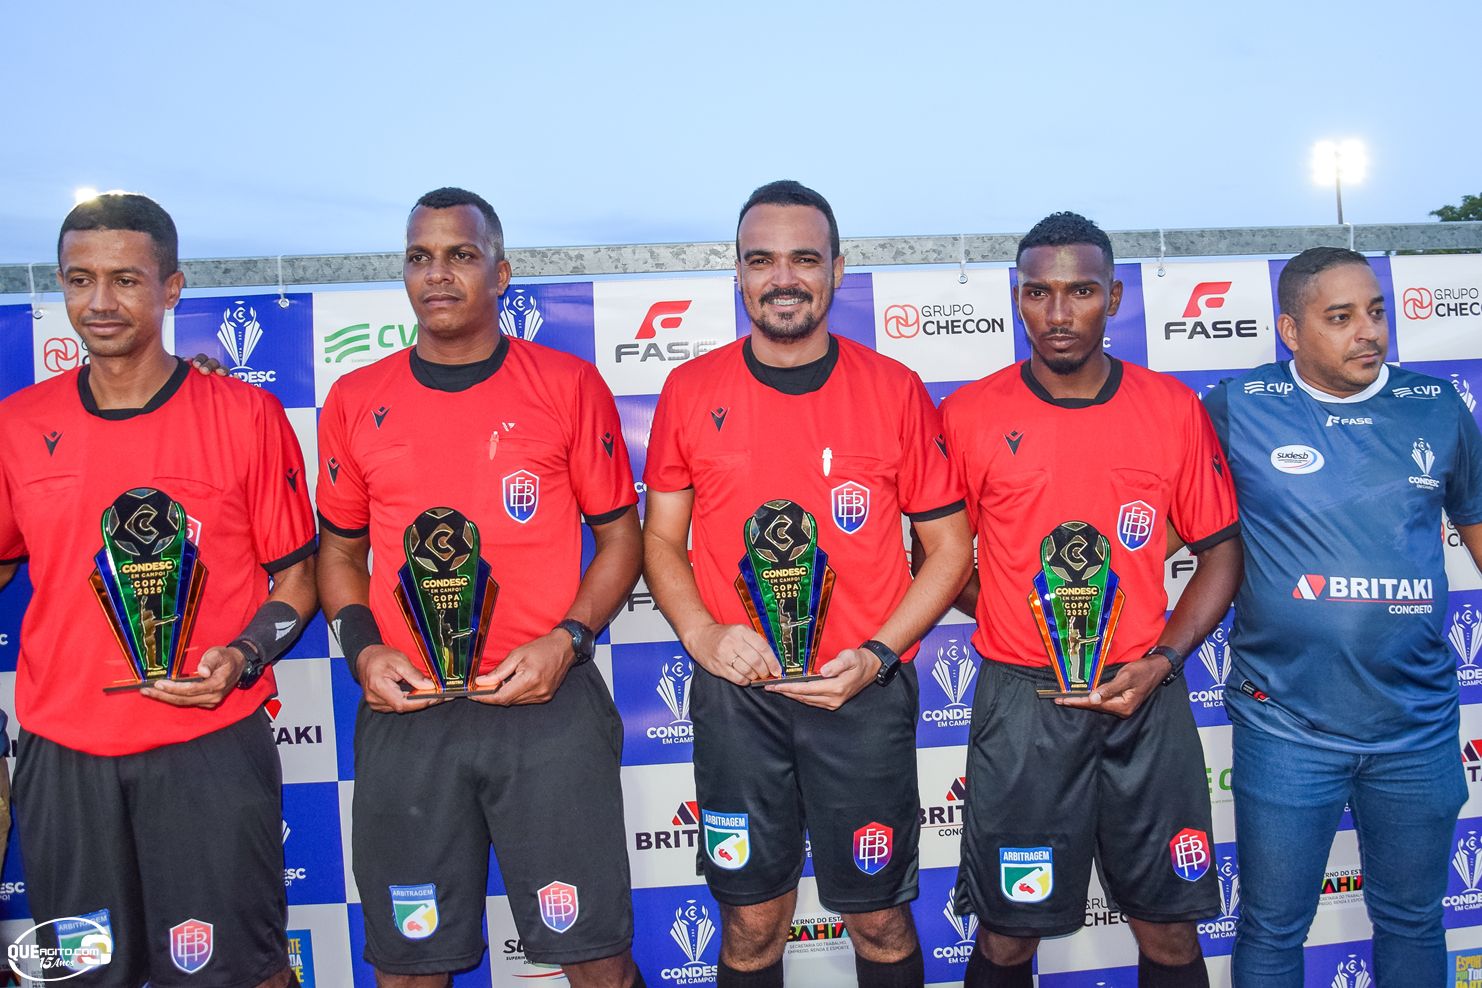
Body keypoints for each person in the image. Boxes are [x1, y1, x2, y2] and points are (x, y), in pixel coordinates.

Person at [643, 180, 974, 988]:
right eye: (762, 260)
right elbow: (660, 539)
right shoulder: (690, 391)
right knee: (753, 923)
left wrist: (878, 654)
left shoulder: (893, 389)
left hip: (859, 694)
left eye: (804, 259)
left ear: (836, 270)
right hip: (738, 696)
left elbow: (950, 550)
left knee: (881, 918)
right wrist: (704, 635)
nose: (782, 278)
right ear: (738, 273)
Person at [315, 187, 645, 988]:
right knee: (410, 964)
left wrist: (567, 642)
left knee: (595, 958)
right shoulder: (356, 400)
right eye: (419, 256)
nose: (438, 273)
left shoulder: (566, 385)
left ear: (501, 273)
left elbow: (621, 542)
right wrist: (364, 654)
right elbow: (338, 554)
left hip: (546, 710)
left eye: (460, 254)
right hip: (411, 714)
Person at [0, 192, 317, 986]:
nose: (99, 302)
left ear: (171, 288)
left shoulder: (244, 413)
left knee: (235, 973)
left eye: (125, 280)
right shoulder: (16, 424)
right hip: (64, 753)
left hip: (204, 747)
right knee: (79, 978)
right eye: (79, 280)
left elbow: (299, 579)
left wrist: (242, 657)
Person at [939, 212, 1242, 988]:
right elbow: (938, 556)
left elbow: (1221, 551)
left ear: (1113, 296)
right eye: (1039, 293)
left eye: (1079, 291)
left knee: (1171, 933)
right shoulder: (970, 414)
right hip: (1022, 702)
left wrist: (1163, 660)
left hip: (1145, 694)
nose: (1059, 312)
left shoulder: (1172, 408)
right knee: (1008, 935)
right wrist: (1015, 618)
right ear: (1017, 299)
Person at [1203, 246, 1482, 987]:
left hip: (1417, 728)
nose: (1371, 332)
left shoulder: (1437, 407)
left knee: (1414, 919)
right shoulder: (1237, 406)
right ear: (1291, 331)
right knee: (1271, 928)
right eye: (1342, 317)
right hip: (1285, 726)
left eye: (1378, 312)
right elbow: (1171, 534)